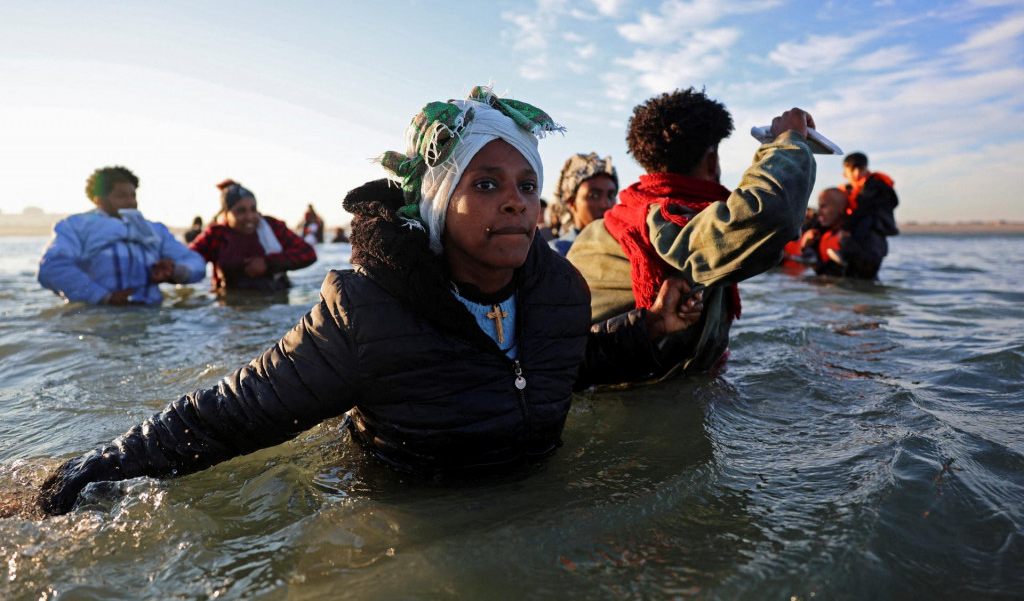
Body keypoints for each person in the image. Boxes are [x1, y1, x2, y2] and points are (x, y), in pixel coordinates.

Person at [37, 85, 703, 516]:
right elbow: (236, 413)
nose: (515, 200)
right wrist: (86, 474)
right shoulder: (368, 311)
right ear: (441, 204)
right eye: (488, 182)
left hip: (535, 507)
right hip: (407, 513)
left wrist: (647, 332)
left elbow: (565, 366)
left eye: (527, 184)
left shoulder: (560, 290)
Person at [567, 88, 817, 377]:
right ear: (712, 160)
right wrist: (787, 143)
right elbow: (767, 214)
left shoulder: (608, 224)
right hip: (640, 399)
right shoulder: (666, 224)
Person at [37, 166, 207, 306]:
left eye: (133, 195)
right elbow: (52, 267)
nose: (131, 202)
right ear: (99, 200)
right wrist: (104, 296)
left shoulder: (154, 230)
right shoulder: (75, 226)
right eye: (121, 196)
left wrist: (174, 270)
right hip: (99, 316)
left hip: (151, 314)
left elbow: (196, 263)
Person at [187, 181, 317, 292]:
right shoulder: (216, 234)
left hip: (274, 297)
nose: (249, 217)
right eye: (241, 211)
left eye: (253, 209)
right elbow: (188, 259)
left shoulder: (271, 226)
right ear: (226, 214)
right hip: (230, 304)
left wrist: (269, 263)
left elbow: (308, 253)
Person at [831, 151, 899, 278]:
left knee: (865, 275)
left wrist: (846, 228)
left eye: (858, 169)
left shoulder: (875, 185)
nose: (854, 174)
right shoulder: (851, 188)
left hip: (872, 234)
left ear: (862, 169)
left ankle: (845, 254)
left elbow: (864, 208)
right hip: (865, 235)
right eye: (849, 171)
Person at [549, 153, 618, 256]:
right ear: (572, 202)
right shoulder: (557, 253)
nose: (606, 204)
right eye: (594, 195)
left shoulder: (623, 247)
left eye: (611, 195)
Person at [799, 188, 849, 276]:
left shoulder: (855, 235)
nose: (818, 212)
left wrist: (849, 245)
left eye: (823, 206)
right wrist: (805, 248)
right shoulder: (817, 235)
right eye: (819, 207)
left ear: (841, 208)